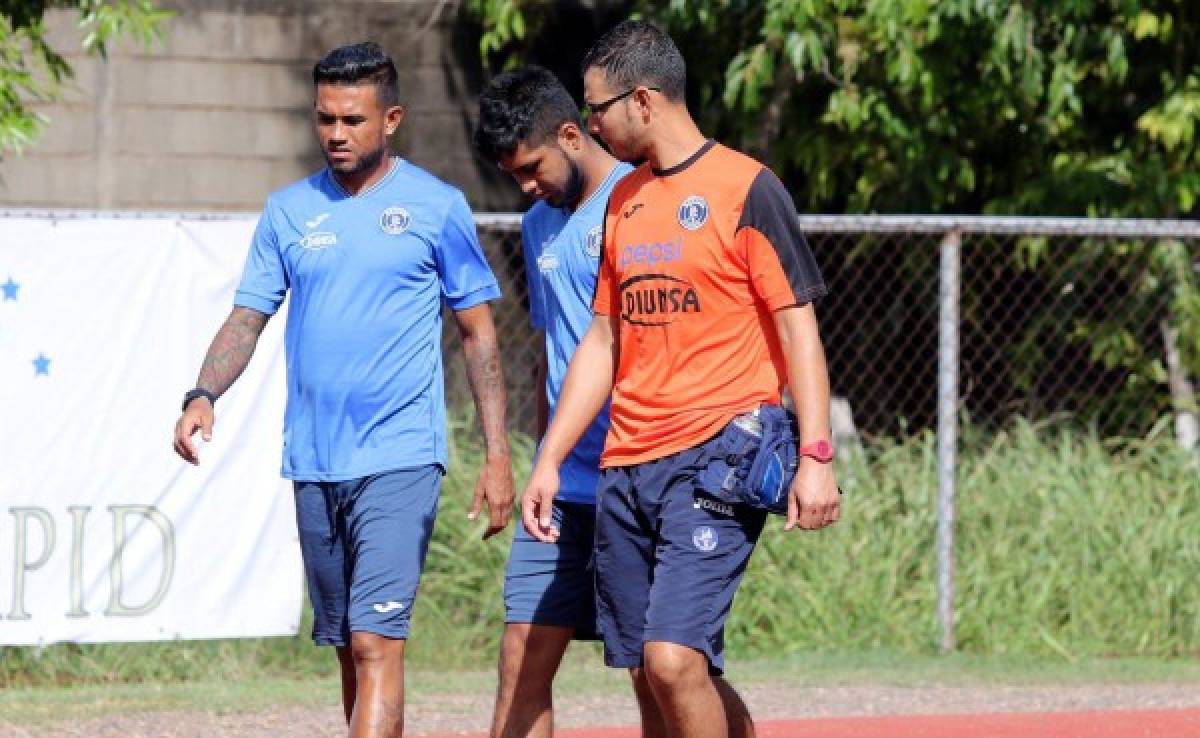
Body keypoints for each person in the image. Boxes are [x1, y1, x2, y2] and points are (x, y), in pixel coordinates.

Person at [171, 42, 514, 738]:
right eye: (324, 118)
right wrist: (202, 393)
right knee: (348, 656)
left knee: (375, 644)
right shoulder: (289, 211)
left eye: (352, 120)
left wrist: (498, 453)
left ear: (391, 119)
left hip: (400, 459)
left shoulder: (436, 207)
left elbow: (480, 335)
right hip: (315, 462)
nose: (335, 133)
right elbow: (248, 318)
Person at [520, 21, 842, 738]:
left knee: (670, 662)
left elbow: (798, 327)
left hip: (717, 458)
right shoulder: (624, 202)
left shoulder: (747, 188)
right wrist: (547, 459)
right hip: (627, 465)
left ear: (643, 100)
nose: (591, 123)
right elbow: (603, 339)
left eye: (597, 108)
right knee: (652, 669)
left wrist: (816, 458)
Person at [473, 65, 633, 738]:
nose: (528, 186)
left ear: (572, 134)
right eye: (514, 177)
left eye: (533, 168)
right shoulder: (537, 223)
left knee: (665, 670)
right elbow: (552, 354)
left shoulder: (641, 198)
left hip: (639, 474)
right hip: (562, 484)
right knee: (522, 659)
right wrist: (543, 458)